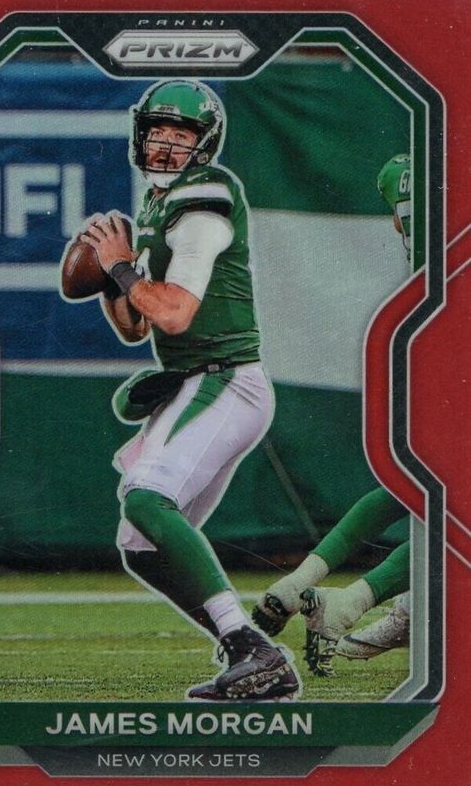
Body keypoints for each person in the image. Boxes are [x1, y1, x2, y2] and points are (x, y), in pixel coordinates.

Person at [85, 80, 301, 701]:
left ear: (203, 144)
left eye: (181, 135)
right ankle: (251, 653)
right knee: (141, 544)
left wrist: (121, 266)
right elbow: (136, 326)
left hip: (227, 379)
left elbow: (174, 314)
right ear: (140, 133)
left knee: (146, 499)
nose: (166, 144)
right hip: (200, 381)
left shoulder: (205, 197)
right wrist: (111, 278)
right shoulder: (158, 204)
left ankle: (253, 651)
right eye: (158, 130)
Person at [252, 154, 413, 674]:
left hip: (422, 336)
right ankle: (369, 604)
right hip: (452, 329)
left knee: (413, 486)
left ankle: (304, 584)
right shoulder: (448, 174)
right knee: (446, 496)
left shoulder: (407, 179)